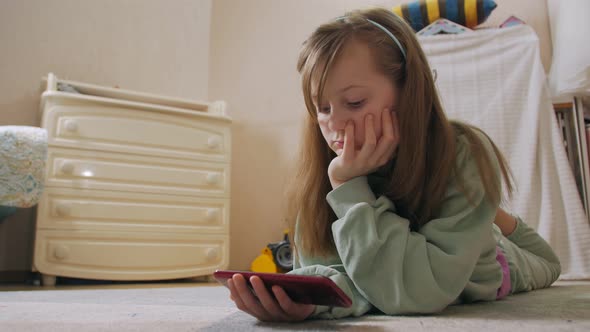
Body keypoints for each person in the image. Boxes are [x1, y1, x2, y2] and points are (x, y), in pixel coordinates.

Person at [226, 7, 561, 322]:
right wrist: (313, 300)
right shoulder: (329, 171)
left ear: (408, 92)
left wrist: (349, 190)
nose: (335, 123)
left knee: (549, 264)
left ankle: (489, 216)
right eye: (323, 108)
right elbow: (358, 277)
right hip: (442, 238)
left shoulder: (463, 153)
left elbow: (416, 292)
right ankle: (483, 214)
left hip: (493, 261)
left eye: (354, 102)